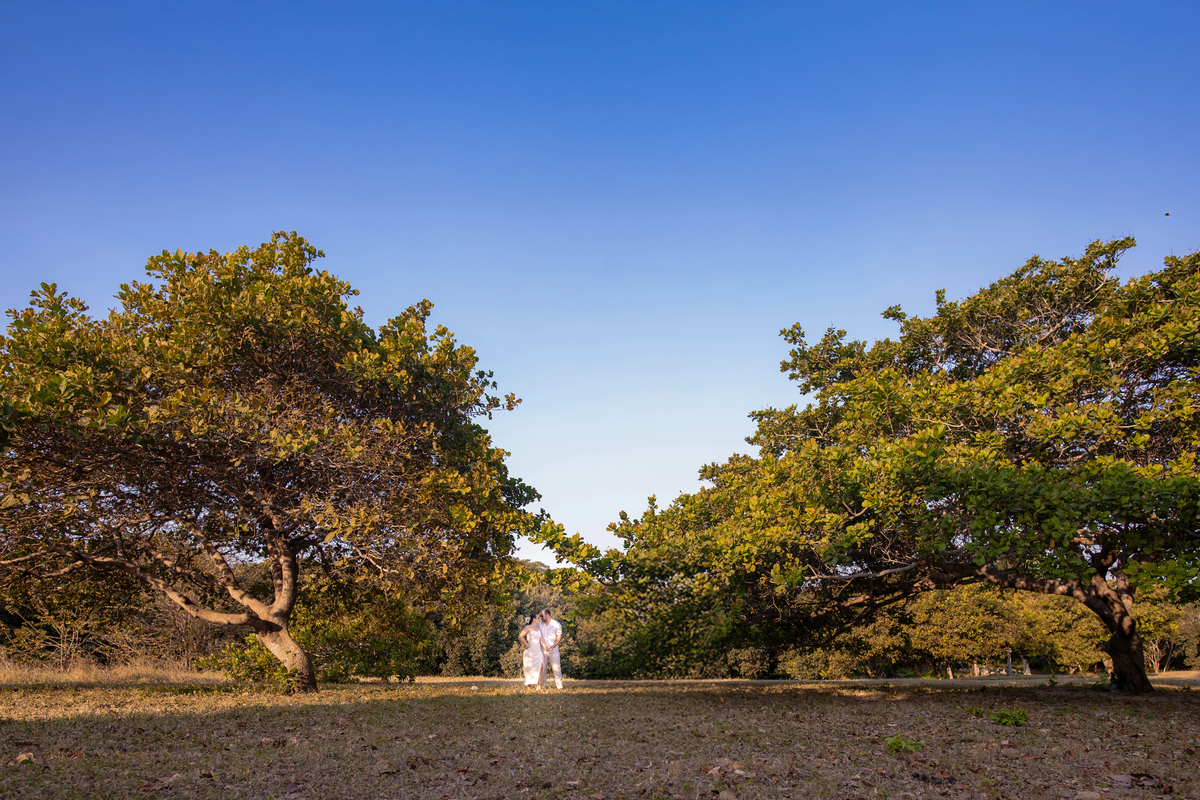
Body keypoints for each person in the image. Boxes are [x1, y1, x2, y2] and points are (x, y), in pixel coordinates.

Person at [536, 608, 563, 689]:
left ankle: (559, 686)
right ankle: (542, 686)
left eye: (542, 616)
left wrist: (553, 645)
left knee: (556, 669)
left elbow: (559, 637)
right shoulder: (539, 624)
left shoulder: (556, 624)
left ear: (547, 615)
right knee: (542, 669)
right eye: (540, 616)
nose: (541, 617)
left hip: (553, 650)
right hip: (542, 650)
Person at [517, 614, 545, 690]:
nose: (539, 619)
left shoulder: (538, 628)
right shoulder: (527, 627)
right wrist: (526, 644)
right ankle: (529, 686)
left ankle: (539, 685)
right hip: (530, 652)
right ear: (533, 619)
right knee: (528, 668)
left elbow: (541, 639)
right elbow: (520, 637)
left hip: (538, 651)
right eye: (537, 618)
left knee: (541, 667)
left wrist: (546, 648)